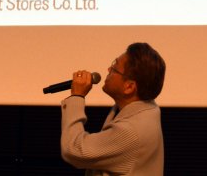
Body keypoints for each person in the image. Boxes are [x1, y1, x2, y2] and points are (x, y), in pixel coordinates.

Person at [59, 42, 165, 176]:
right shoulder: (148, 109)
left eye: (115, 69)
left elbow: (74, 150)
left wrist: (77, 96)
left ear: (129, 87)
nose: (108, 69)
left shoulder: (131, 131)